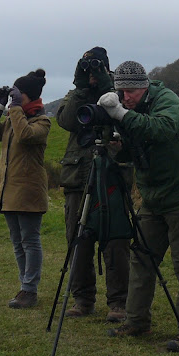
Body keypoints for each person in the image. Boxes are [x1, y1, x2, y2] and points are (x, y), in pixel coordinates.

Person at [98, 61, 179, 352]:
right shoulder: (133, 107)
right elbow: (136, 149)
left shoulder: (167, 101)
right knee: (142, 259)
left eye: (130, 92)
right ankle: (137, 321)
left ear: (144, 86)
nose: (125, 98)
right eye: (121, 92)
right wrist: (116, 147)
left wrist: (121, 114)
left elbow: (161, 130)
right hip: (153, 199)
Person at [56, 47, 131, 322]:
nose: (90, 74)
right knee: (78, 241)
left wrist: (106, 88)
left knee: (116, 241)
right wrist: (81, 88)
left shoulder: (120, 92)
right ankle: (83, 299)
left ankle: (119, 302)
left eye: (95, 68)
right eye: (86, 68)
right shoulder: (75, 94)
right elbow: (66, 120)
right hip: (78, 179)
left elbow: (128, 122)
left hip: (111, 176)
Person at [0, 69, 51, 309]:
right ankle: (25, 287)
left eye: (18, 95)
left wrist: (16, 109)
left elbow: (25, 136)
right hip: (9, 191)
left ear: (28, 96)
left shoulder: (42, 121)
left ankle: (29, 289)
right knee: (18, 242)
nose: (14, 99)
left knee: (30, 241)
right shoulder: (13, 119)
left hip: (29, 192)